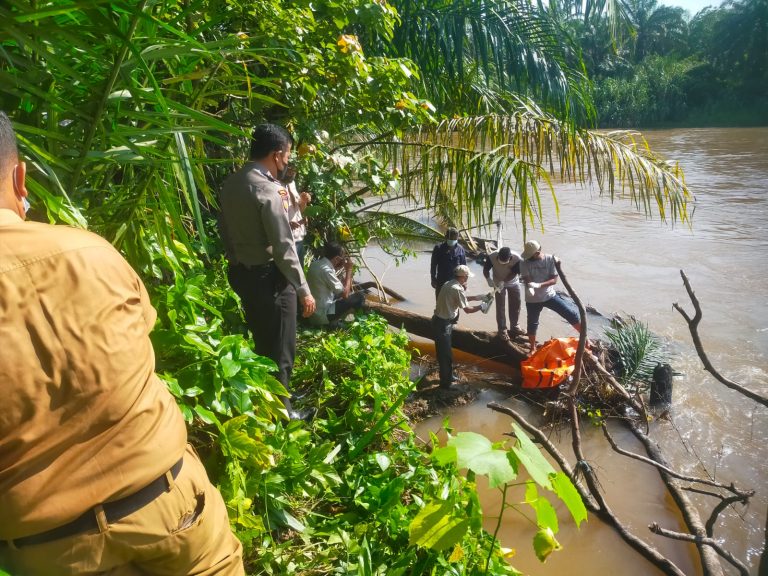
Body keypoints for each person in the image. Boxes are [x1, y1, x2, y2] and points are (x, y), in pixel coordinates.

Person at [0, 111, 244, 574]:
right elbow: (136, 341)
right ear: (20, 175)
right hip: (171, 505)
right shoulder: (90, 251)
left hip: (50, 549)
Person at [218, 123, 316, 419]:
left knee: (263, 339)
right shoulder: (267, 190)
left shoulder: (232, 183)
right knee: (282, 344)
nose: (286, 162)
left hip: (241, 274)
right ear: (276, 154)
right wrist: (303, 289)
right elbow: (284, 246)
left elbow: (224, 230)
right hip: (270, 277)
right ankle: (284, 414)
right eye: (286, 156)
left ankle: (275, 394)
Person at [519, 240, 582, 355]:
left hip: (549, 295)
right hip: (532, 299)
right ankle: (532, 347)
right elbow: (527, 279)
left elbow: (554, 280)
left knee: (570, 313)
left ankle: (584, 339)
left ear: (538, 252)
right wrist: (530, 287)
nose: (528, 258)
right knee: (532, 323)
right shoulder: (524, 263)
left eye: (531, 255)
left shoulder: (549, 259)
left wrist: (539, 285)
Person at [432, 264, 487, 388]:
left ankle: (449, 376)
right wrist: (481, 307)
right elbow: (467, 310)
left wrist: (477, 297)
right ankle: (445, 385)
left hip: (439, 321)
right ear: (463, 277)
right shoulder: (457, 289)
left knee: (445, 353)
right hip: (443, 325)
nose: (467, 279)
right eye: (467, 276)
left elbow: (458, 299)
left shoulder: (448, 284)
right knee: (445, 355)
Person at [306, 242, 366, 326]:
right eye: (343, 258)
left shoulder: (315, 264)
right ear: (337, 259)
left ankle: (339, 320)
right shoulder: (327, 271)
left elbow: (339, 288)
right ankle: (346, 322)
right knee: (360, 296)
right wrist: (349, 270)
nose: (344, 260)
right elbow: (345, 295)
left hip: (314, 312)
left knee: (345, 294)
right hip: (322, 315)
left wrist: (338, 267)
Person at [482, 246, 523, 341]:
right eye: (500, 260)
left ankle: (515, 326)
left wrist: (504, 282)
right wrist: (488, 279)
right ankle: (502, 329)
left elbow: (514, 273)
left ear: (510, 257)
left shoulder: (517, 258)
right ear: (498, 256)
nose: (502, 262)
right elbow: (485, 270)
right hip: (497, 282)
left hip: (513, 282)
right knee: (500, 306)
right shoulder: (492, 256)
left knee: (516, 304)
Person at [282, 164, 311, 265]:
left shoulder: (292, 183)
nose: (292, 173)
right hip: (287, 241)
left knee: (299, 275)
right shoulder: (275, 186)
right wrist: (287, 224)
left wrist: (303, 201)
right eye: (289, 170)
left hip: (299, 238)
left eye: (294, 170)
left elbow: (300, 210)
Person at [430, 227, 466, 299]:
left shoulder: (460, 249)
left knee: (455, 303)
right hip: (441, 281)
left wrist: (464, 282)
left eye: (455, 239)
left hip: (456, 282)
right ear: (446, 237)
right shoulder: (438, 248)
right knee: (440, 303)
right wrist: (433, 279)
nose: (453, 241)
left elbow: (464, 267)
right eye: (451, 239)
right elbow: (433, 265)